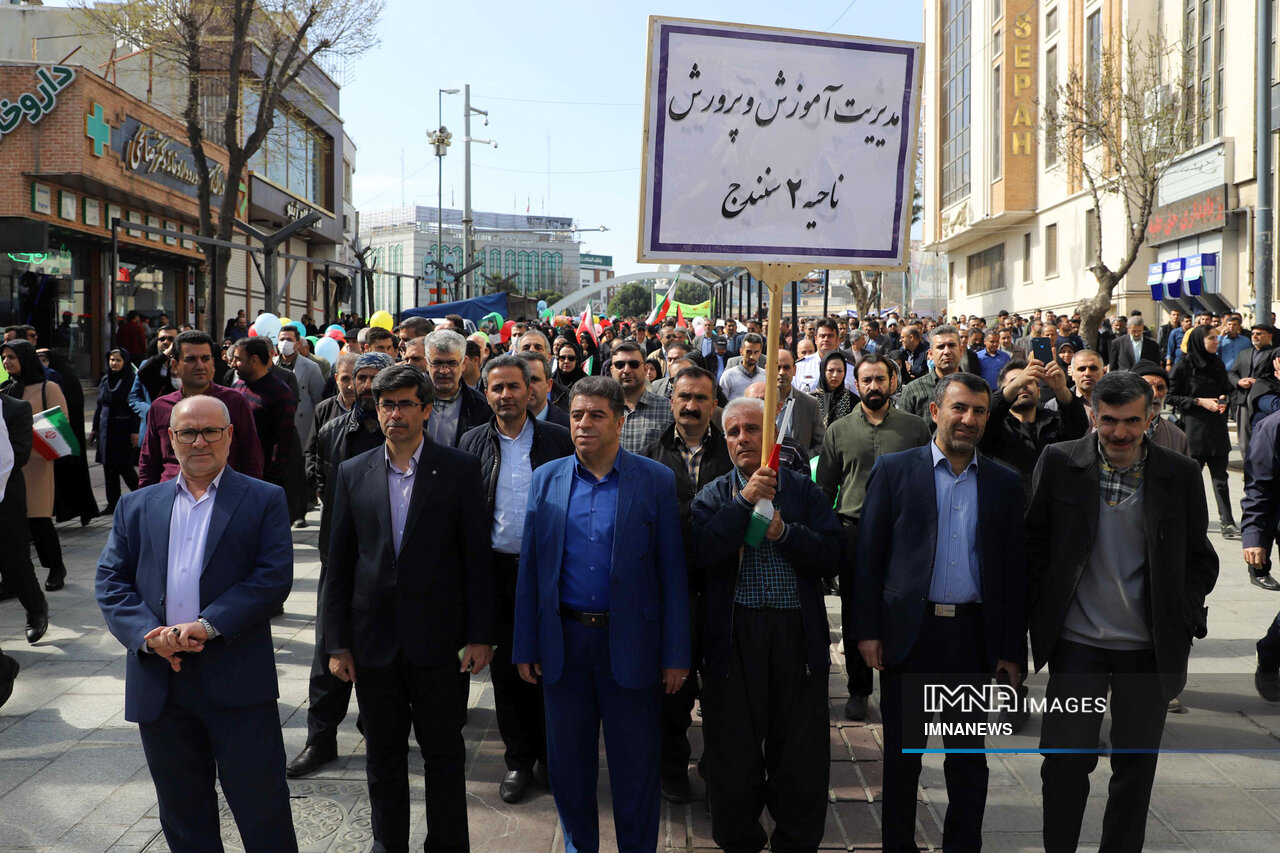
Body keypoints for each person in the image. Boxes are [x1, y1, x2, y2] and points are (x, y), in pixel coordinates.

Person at [95, 394, 298, 853]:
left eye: (211, 431)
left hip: (237, 679)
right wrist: (149, 636)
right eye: (188, 432)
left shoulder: (263, 499)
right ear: (171, 439)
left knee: (262, 807)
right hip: (161, 681)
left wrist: (208, 625)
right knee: (183, 814)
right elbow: (110, 581)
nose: (199, 442)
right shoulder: (137, 505)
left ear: (230, 435)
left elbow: (271, 578)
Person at [1026, 371, 1218, 853]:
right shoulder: (1059, 461)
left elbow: (1201, 558)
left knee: (1135, 769)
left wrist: (1186, 614)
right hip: (1077, 646)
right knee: (1065, 762)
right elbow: (1033, 545)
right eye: (1109, 420)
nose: (1120, 432)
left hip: (1147, 650)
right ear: (1092, 415)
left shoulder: (1180, 473)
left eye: (1132, 421)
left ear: (1151, 417)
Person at [513, 376, 690, 853]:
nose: (583, 424)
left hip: (631, 645)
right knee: (568, 767)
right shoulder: (546, 479)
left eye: (595, 415)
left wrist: (676, 654)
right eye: (576, 415)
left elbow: (672, 573)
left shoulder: (654, 480)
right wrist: (525, 643)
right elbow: (531, 569)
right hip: (564, 645)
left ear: (619, 421)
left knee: (636, 768)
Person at [324, 363, 494, 853]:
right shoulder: (353, 472)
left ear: (426, 409)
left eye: (404, 404)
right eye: (385, 405)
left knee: (444, 754)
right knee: (383, 755)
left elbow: (476, 558)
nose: (394, 414)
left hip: (439, 642)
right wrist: (336, 644)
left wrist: (480, 636)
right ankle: (388, 845)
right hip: (373, 642)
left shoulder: (459, 469)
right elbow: (339, 563)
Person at [856, 373, 1026, 853]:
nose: (968, 419)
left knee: (968, 761)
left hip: (970, 639)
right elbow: (868, 557)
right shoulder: (894, 470)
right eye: (959, 408)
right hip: (910, 636)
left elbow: (1014, 574)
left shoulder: (1003, 483)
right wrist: (867, 631)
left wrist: (1011, 650)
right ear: (935, 412)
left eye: (978, 411)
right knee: (904, 759)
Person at [689, 396, 841, 850]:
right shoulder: (714, 494)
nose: (742, 439)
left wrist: (784, 533)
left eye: (752, 429)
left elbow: (832, 554)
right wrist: (743, 503)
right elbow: (701, 553)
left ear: (772, 434)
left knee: (800, 756)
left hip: (796, 636)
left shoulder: (802, 491)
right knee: (732, 755)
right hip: (733, 638)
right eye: (733, 432)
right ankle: (740, 840)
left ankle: (796, 841)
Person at [459, 355, 573, 804]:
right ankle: (519, 761)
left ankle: (552, 757)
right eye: (496, 388)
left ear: (531, 390)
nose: (505, 395)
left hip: (552, 570)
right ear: (486, 393)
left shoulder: (558, 439)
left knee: (551, 666)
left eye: (513, 387)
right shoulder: (471, 442)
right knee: (506, 673)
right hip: (498, 571)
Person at [287, 352, 393, 779]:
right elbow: (314, 464)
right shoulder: (333, 429)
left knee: (380, 654)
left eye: (374, 378)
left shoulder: (401, 430)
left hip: (385, 562)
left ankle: (378, 730)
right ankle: (320, 738)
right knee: (328, 651)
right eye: (359, 378)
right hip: (339, 557)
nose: (364, 386)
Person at [816, 354, 930, 720]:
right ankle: (859, 689)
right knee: (856, 612)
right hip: (855, 533)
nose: (874, 386)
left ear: (892, 382)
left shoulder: (915, 428)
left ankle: (901, 684)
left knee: (902, 609)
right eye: (866, 380)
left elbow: (927, 482)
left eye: (880, 379)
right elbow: (826, 488)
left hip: (902, 536)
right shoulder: (838, 430)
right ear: (856, 384)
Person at [640, 365, 734, 803]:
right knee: (670, 691)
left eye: (700, 398)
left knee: (722, 691)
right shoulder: (649, 454)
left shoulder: (733, 452)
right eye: (684, 397)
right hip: (668, 592)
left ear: (714, 404)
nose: (691, 406)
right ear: (671, 400)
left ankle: (718, 771)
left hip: (722, 588)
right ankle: (672, 770)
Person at [139, 331, 263, 487]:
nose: (200, 365)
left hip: (224, 495)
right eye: (190, 359)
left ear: (213, 363)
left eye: (205, 358)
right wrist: (145, 498)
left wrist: (250, 497)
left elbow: (251, 458)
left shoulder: (234, 402)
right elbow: (148, 462)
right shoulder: (160, 407)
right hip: (171, 495)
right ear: (175, 366)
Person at [1, 340, 71, 592]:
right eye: (4, 357)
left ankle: (55, 568)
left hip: (37, 465)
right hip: (8, 467)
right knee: (11, 527)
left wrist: (25, 429)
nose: (6, 362)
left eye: (12, 357)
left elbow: (61, 426)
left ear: (26, 358)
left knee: (39, 522)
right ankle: (12, 580)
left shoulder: (48, 387)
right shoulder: (5, 389)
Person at [1168, 325, 1239, 539]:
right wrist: (1199, 402)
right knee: (1190, 479)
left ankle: (1227, 522)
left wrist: (1225, 400)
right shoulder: (1184, 365)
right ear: (1200, 341)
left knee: (1220, 478)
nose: (1217, 341)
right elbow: (1170, 396)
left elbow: (1226, 390)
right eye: (1212, 338)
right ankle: (1182, 520)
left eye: (1217, 338)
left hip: (1216, 429)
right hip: (1194, 430)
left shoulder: (1217, 363)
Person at [0, 393, 48, 643]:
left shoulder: (16, 408)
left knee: (16, 559)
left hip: (7, 498)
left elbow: (20, 454)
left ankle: (36, 609)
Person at [231, 337, 296, 493]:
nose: (232, 364)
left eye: (238, 359)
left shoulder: (280, 393)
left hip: (262, 481)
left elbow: (283, 442)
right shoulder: (237, 387)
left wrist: (270, 481)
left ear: (254, 360)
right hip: (235, 476)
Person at [92, 348, 142, 514]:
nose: (114, 363)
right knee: (108, 467)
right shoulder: (106, 379)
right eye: (112, 360)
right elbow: (99, 405)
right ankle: (112, 503)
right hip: (106, 428)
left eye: (118, 360)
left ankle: (142, 497)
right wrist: (94, 428)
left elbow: (135, 407)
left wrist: (135, 431)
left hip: (123, 429)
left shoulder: (131, 380)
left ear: (125, 362)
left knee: (125, 467)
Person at [424, 329, 493, 447]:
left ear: (464, 363)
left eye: (452, 363)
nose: (444, 371)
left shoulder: (481, 406)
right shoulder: (411, 401)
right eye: (437, 363)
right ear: (427, 363)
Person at [610, 340, 675, 452]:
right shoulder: (602, 409)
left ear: (645, 369)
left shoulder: (668, 409)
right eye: (620, 365)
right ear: (612, 370)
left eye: (634, 364)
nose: (626, 370)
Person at [898, 324, 964, 423]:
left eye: (951, 345)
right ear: (930, 354)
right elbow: (903, 427)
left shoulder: (975, 388)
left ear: (961, 351)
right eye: (940, 347)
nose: (946, 351)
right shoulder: (913, 390)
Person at [1132, 361, 1191, 457]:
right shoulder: (1116, 430)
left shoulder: (1177, 437)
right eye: (1147, 387)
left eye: (1160, 388)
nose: (1155, 394)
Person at [516, 350, 571, 428]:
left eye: (534, 380)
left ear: (548, 385)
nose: (527, 386)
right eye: (521, 380)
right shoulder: (499, 424)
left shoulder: (568, 426)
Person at [813, 349, 857, 426]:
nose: (835, 375)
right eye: (831, 370)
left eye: (839, 371)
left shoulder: (853, 401)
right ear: (823, 371)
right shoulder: (811, 400)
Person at [718, 332, 765, 401]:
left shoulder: (765, 375)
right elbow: (721, 402)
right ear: (741, 351)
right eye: (749, 352)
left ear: (760, 352)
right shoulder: (728, 376)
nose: (752, 356)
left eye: (756, 352)